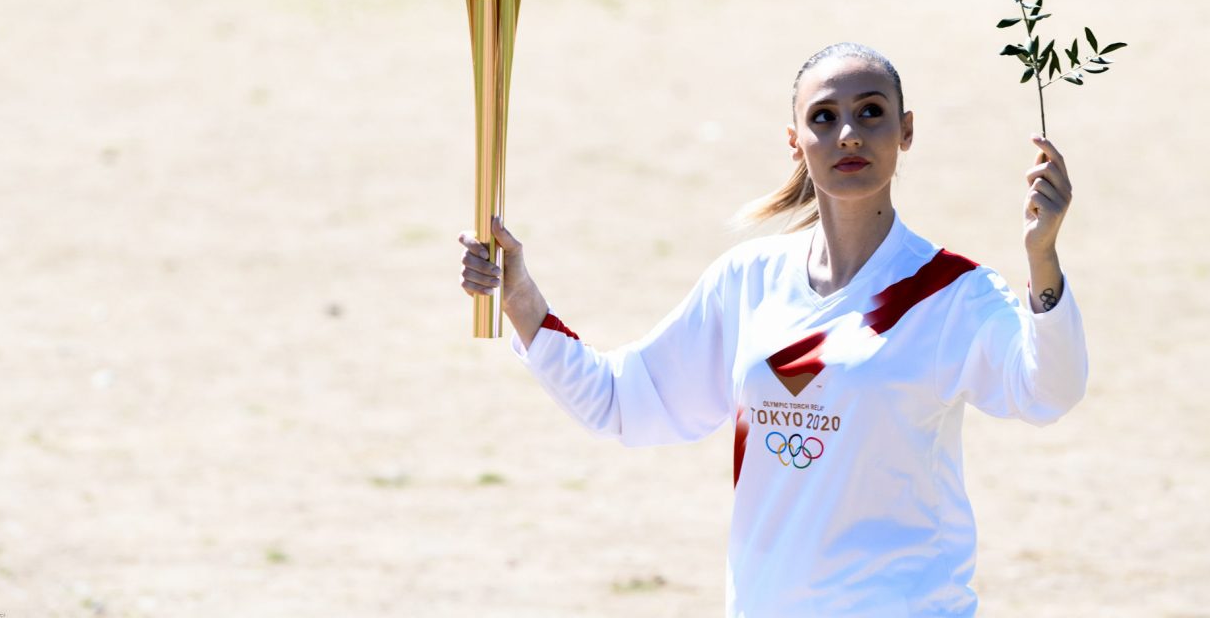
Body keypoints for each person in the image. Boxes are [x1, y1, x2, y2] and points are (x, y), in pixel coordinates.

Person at [457, 42, 1087, 618]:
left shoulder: (953, 293)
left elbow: (1046, 391)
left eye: (871, 113)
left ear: (906, 131)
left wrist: (1042, 259)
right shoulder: (749, 280)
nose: (847, 134)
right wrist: (521, 300)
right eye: (824, 117)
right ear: (795, 140)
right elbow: (623, 402)